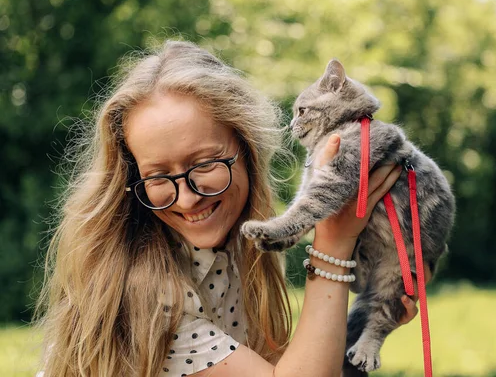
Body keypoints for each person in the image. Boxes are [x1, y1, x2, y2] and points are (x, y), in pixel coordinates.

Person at [36, 40, 431, 376]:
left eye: (205, 164)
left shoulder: (227, 251)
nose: (188, 198)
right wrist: (334, 242)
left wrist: (365, 329)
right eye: (157, 176)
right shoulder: (151, 297)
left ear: (247, 151)